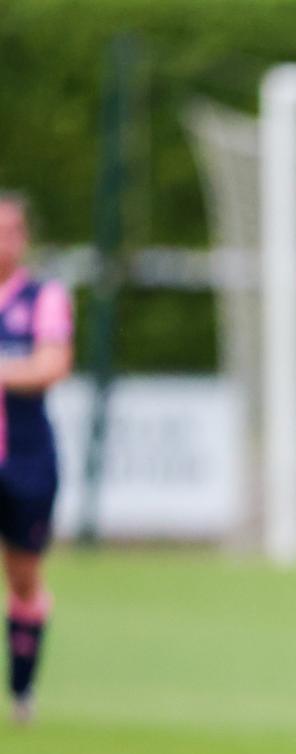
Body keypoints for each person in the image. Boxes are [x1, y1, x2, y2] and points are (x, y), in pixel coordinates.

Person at [0, 192, 75, 726]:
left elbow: (50, 364)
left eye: (9, 230)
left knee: (24, 575)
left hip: (24, 456)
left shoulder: (43, 297)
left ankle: (21, 692)